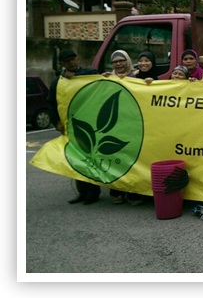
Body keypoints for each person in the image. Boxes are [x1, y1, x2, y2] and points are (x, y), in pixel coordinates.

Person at [48, 48, 101, 205]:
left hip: (90, 124)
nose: (72, 62)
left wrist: (76, 77)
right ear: (62, 64)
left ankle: (93, 192)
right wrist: (56, 122)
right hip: (70, 126)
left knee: (90, 158)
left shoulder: (89, 73)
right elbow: (52, 103)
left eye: (74, 59)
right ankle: (82, 192)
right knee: (76, 159)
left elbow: (99, 82)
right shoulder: (57, 82)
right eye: (68, 61)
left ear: (78, 59)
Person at [104, 49, 143, 205]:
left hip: (133, 123)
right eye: (115, 62)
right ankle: (117, 191)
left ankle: (133, 192)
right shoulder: (108, 78)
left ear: (128, 60)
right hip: (115, 124)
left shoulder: (137, 76)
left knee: (133, 159)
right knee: (116, 158)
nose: (118, 64)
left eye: (121, 60)